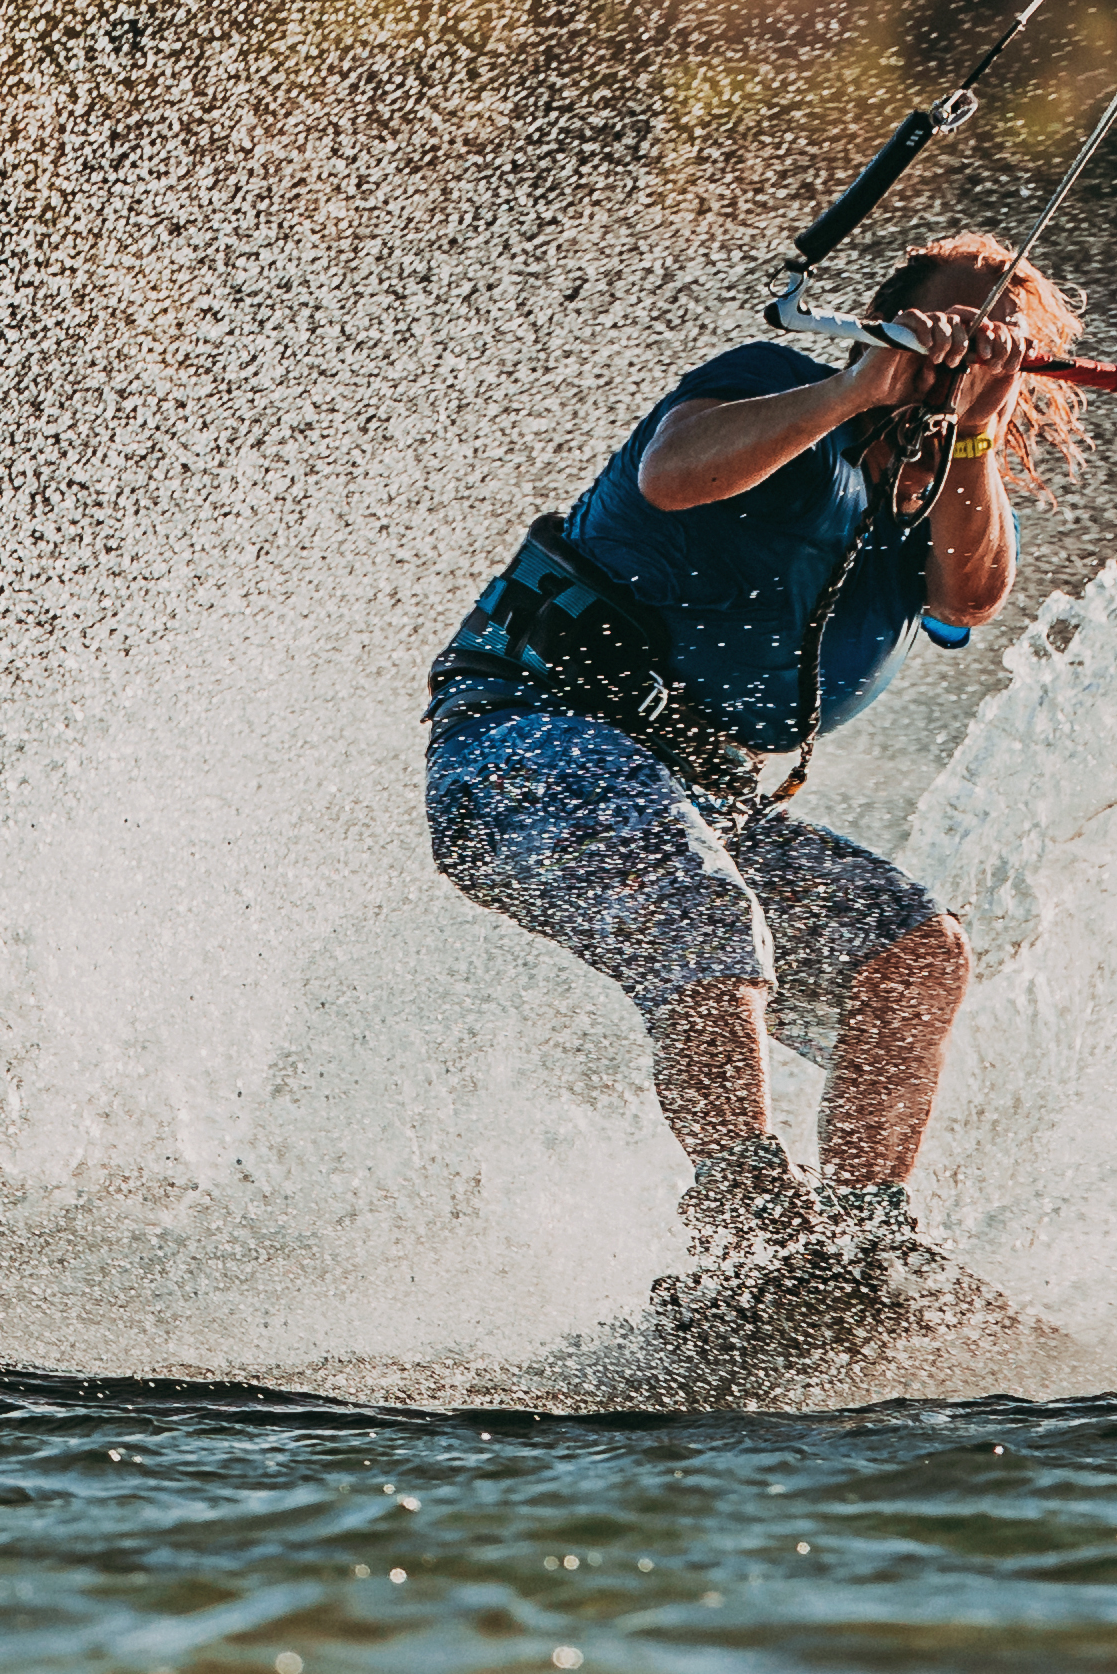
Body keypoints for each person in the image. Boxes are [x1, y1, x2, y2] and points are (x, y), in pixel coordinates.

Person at [421, 231, 1081, 1268]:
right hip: (518, 746)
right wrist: (859, 388)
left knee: (915, 955)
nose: (959, 351)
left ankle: (869, 1248)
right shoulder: (775, 386)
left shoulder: (943, 497)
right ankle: (752, 1222)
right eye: (941, 323)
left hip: (690, 801)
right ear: (881, 321)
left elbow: (970, 598)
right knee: (700, 902)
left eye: (989, 341)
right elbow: (673, 474)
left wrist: (971, 431)